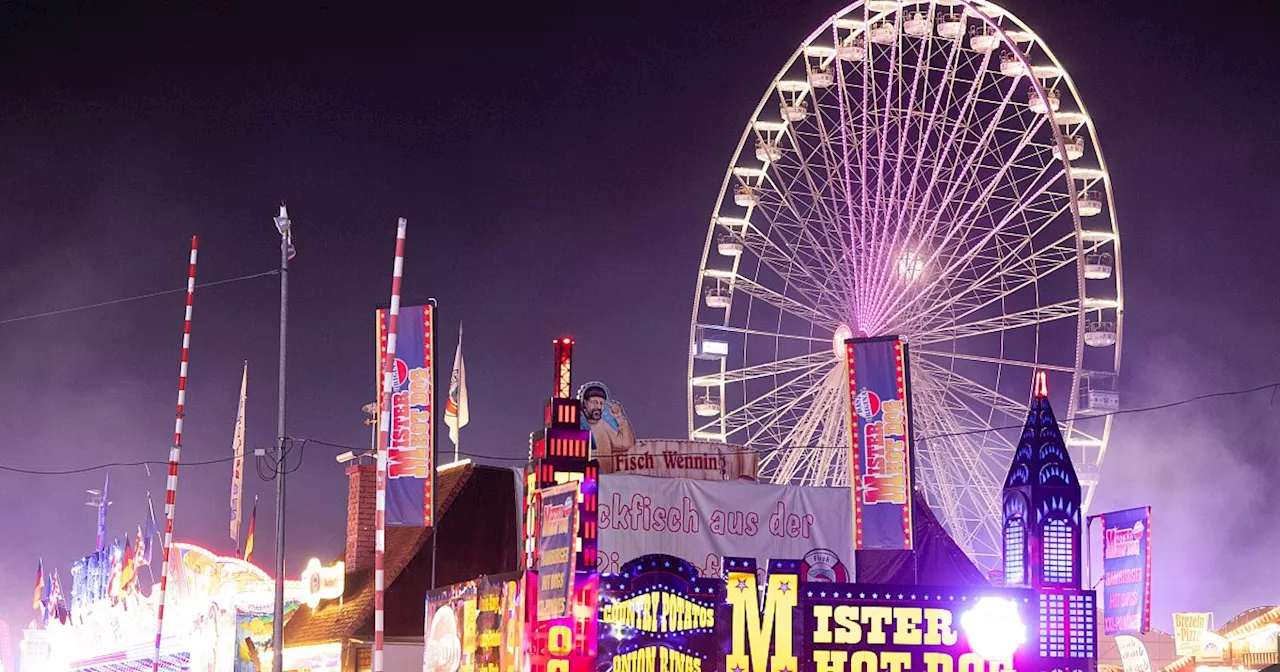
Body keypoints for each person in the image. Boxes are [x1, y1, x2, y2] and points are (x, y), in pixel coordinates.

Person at [577, 382, 635, 467]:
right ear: (585, 402)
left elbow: (626, 443)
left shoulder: (602, 425)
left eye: (602, 403)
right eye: (594, 402)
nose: (599, 407)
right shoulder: (575, 421)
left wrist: (619, 418)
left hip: (604, 478)